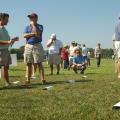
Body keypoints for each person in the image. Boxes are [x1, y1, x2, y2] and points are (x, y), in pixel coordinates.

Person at [24, 13, 45, 85]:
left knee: (39, 63)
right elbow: (24, 35)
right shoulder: (27, 26)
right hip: (28, 45)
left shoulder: (40, 26)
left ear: (36, 18)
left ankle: (43, 79)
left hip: (37, 45)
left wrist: (33, 25)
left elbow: (38, 33)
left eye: (32, 17)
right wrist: (32, 34)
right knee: (28, 63)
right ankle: (28, 80)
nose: (30, 19)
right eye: (30, 17)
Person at [0, 13, 19, 86]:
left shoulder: (5, 30)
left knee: (6, 67)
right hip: (1, 51)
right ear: (1, 19)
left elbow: (8, 43)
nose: (8, 21)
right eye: (7, 19)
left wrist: (13, 40)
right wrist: (8, 41)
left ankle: (7, 83)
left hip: (6, 50)